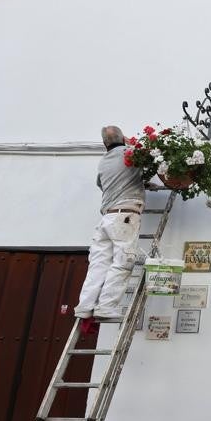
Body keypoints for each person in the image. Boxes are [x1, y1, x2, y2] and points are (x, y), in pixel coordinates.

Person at [74, 125, 146, 334]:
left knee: (98, 264)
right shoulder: (130, 153)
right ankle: (106, 307)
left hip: (106, 217)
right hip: (125, 216)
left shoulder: (103, 162)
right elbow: (150, 157)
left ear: (104, 143)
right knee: (123, 262)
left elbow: (101, 184)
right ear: (123, 138)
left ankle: (85, 306)